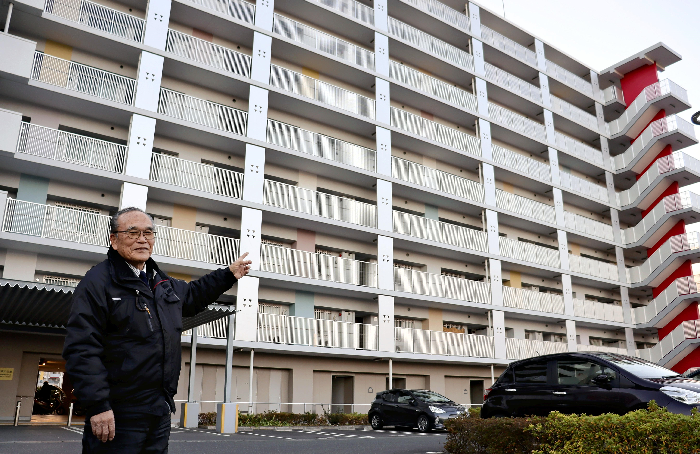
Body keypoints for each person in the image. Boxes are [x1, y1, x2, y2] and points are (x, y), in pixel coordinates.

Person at [63, 206, 252, 453]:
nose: (142, 239)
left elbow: (194, 294)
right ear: (114, 240)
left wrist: (228, 274)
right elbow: (82, 347)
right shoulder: (97, 282)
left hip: (158, 409)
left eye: (148, 233)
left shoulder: (160, 282)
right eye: (132, 233)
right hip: (119, 413)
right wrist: (98, 405)